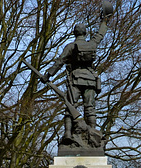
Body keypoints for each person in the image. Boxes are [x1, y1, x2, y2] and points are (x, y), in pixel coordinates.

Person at [41, 10, 110, 143]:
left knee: (70, 106)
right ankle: (92, 134)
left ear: (74, 33)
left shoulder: (71, 46)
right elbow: (101, 33)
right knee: (90, 108)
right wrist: (105, 21)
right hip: (90, 79)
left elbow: (60, 61)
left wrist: (48, 74)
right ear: (85, 33)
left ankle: (68, 133)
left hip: (75, 79)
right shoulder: (92, 44)